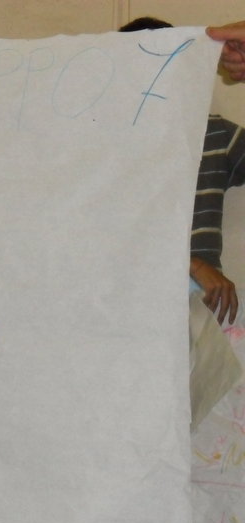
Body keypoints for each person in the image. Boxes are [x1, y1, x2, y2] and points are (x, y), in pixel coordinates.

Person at [122, 17, 245, 324]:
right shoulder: (97, 143)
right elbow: (88, 234)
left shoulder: (213, 134)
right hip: (114, 310)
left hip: (195, 316)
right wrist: (191, 265)